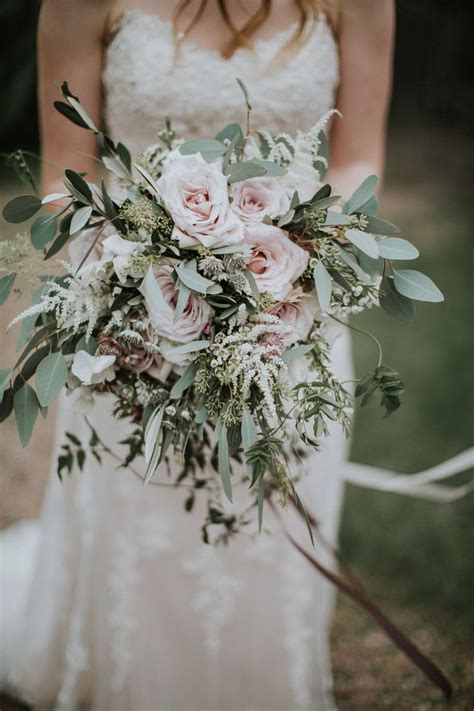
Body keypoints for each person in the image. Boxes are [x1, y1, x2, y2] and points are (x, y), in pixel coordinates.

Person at [1, 1, 394, 708]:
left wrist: (293, 275)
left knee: (267, 517)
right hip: (133, 316)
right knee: (139, 509)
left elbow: (360, 154)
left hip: (291, 314)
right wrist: (124, 282)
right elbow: (65, 175)